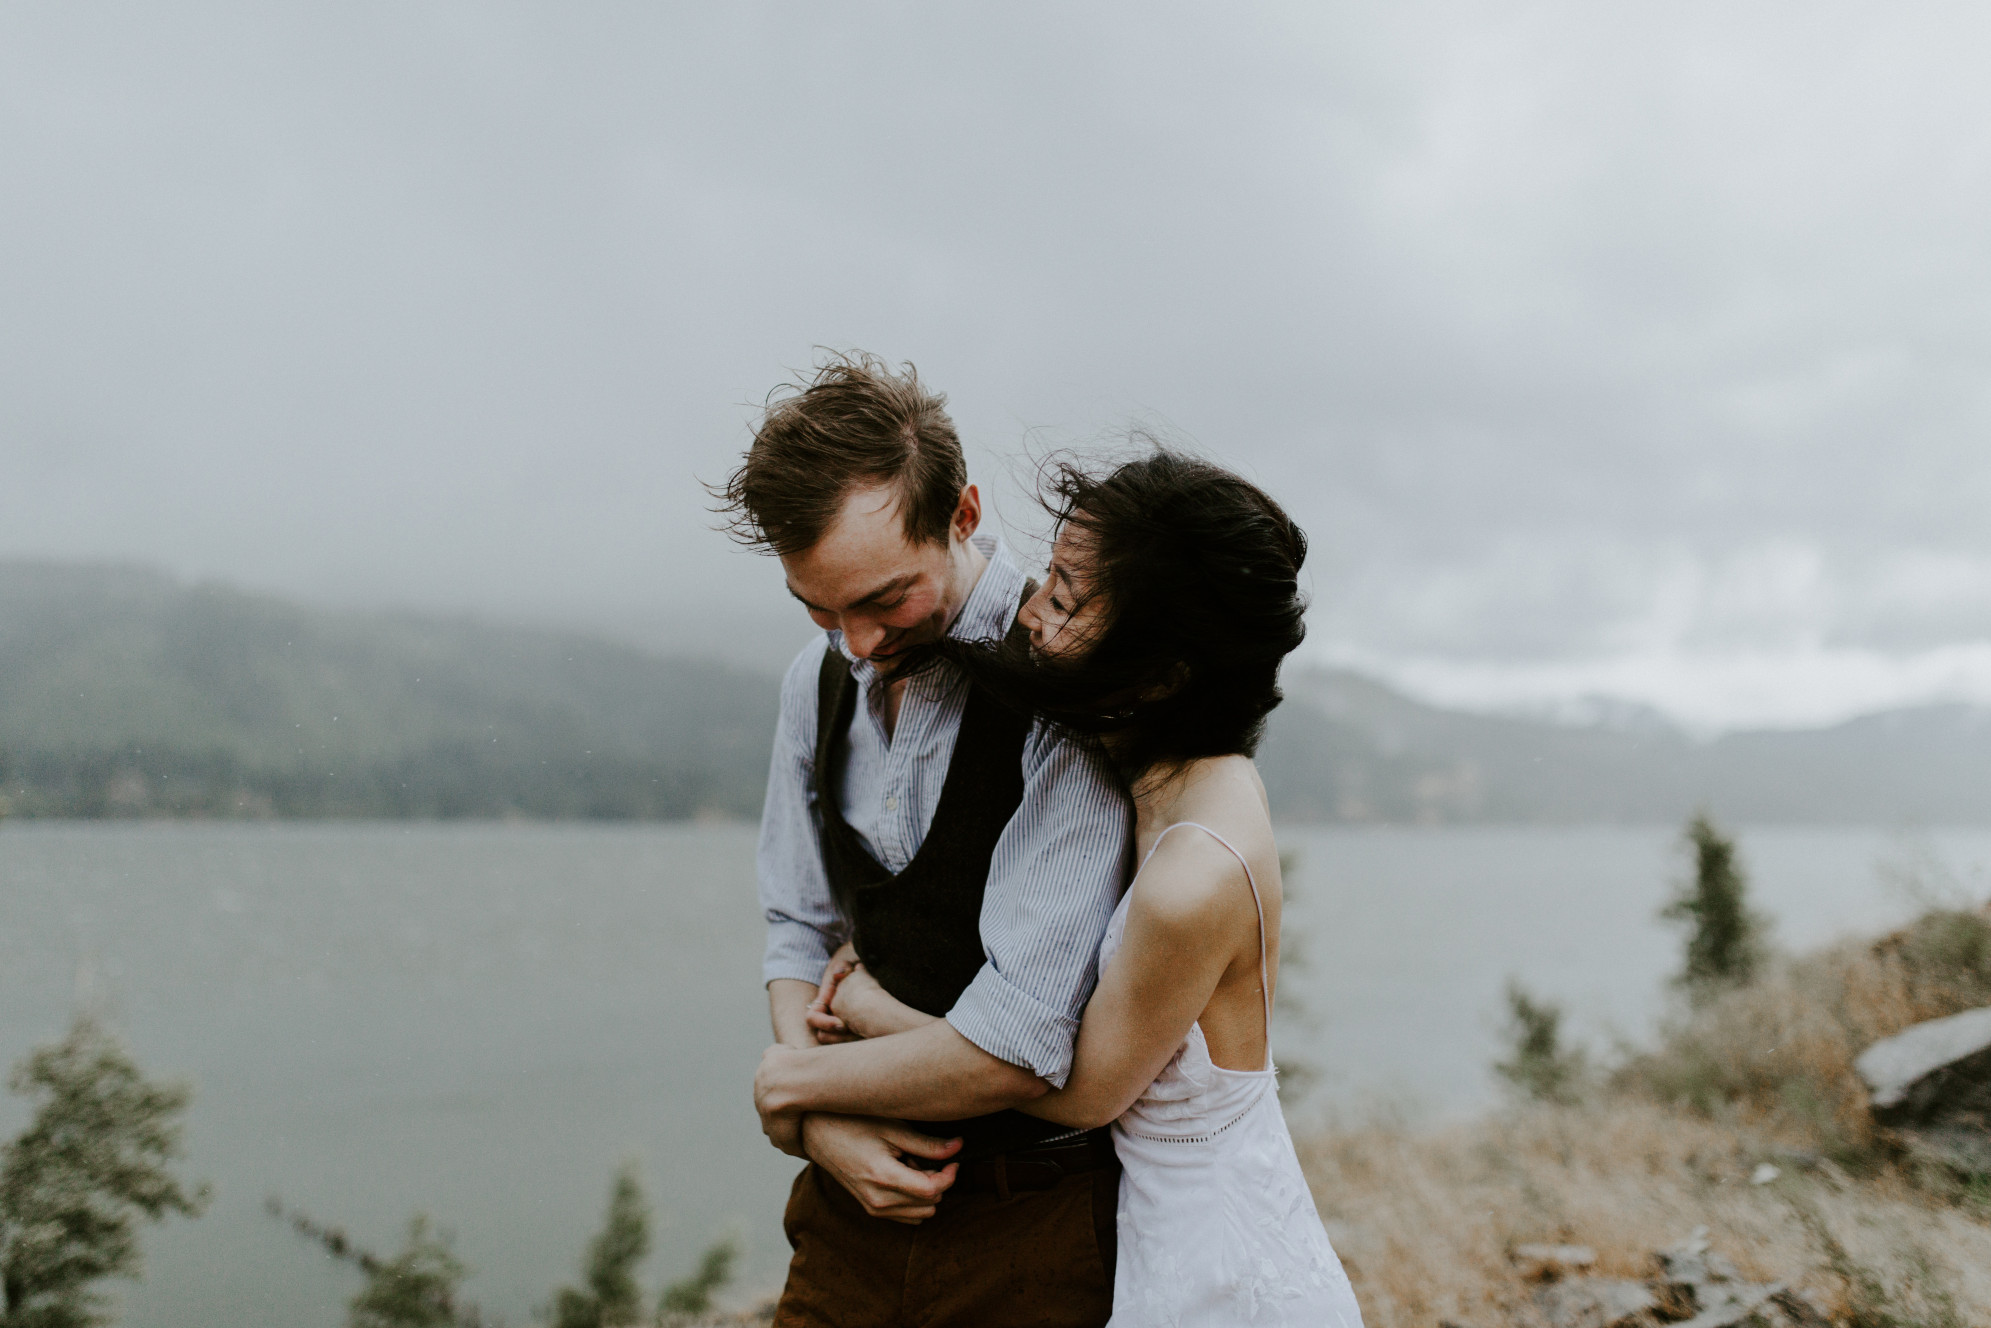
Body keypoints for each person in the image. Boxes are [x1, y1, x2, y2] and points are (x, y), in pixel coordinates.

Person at [756, 448, 1366, 1326]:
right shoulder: (1151, 776)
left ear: (1160, 672)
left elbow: (1077, 1085)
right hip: (1141, 1225)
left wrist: (858, 1018)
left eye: (1067, 599)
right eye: (1047, 579)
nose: (1031, 613)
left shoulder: (1192, 870)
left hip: (1205, 1254)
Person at [718, 353, 1134, 1328]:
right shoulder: (809, 681)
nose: (854, 641)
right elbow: (795, 925)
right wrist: (824, 1128)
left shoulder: (1058, 681)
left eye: (884, 599)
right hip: (844, 1219)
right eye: (818, 606)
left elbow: (1020, 1040)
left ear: (961, 512)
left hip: (1025, 1229)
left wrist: (790, 1085)